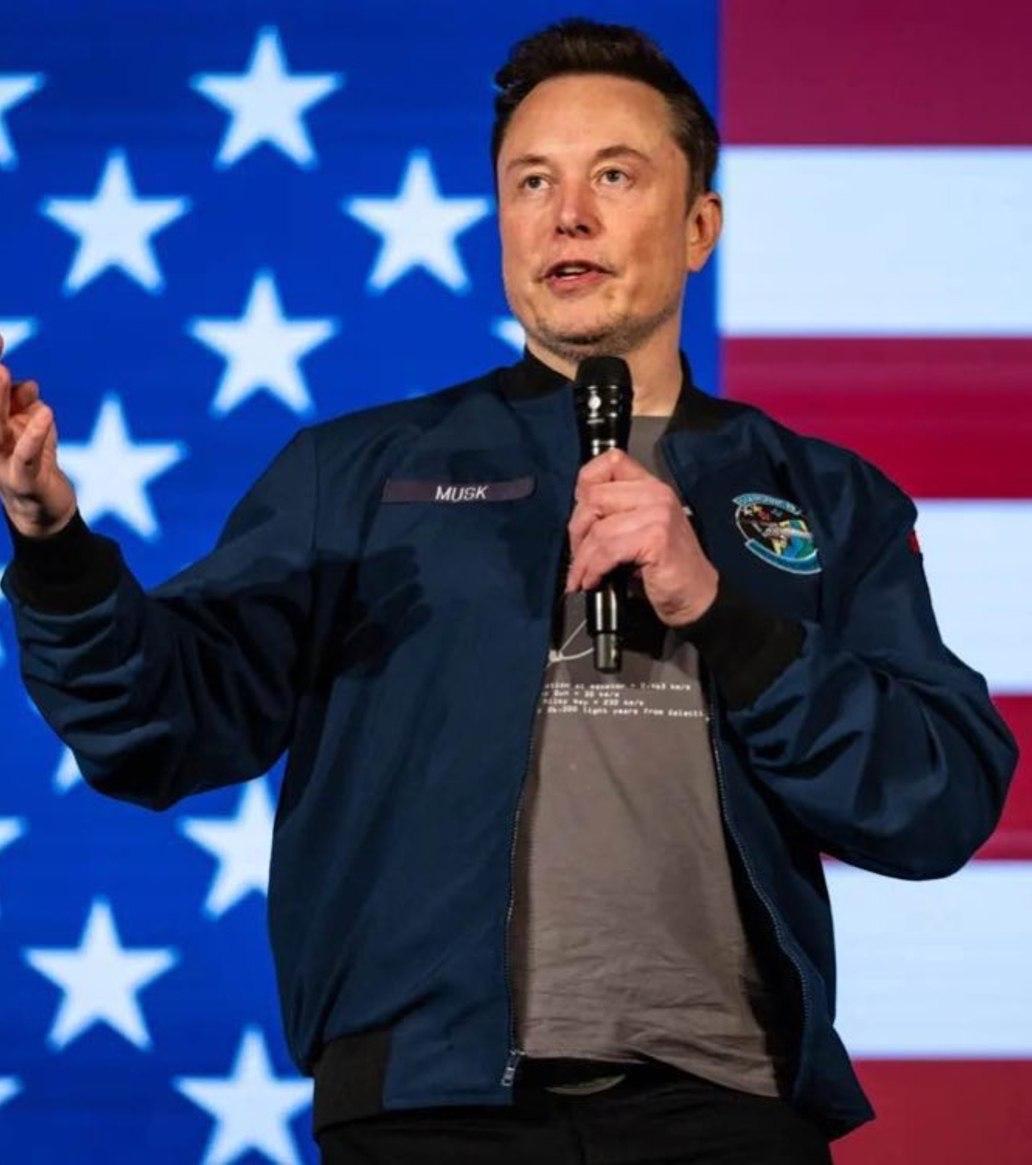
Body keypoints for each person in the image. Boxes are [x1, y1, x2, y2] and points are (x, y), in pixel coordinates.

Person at [0, 17, 1018, 1165]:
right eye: (532, 181)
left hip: (729, 1108)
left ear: (699, 227)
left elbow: (937, 799)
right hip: (429, 1109)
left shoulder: (822, 498)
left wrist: (723, 614)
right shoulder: (358, 475)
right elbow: (159, 725)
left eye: (613, 176)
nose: (566, 214)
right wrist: (54, 541)